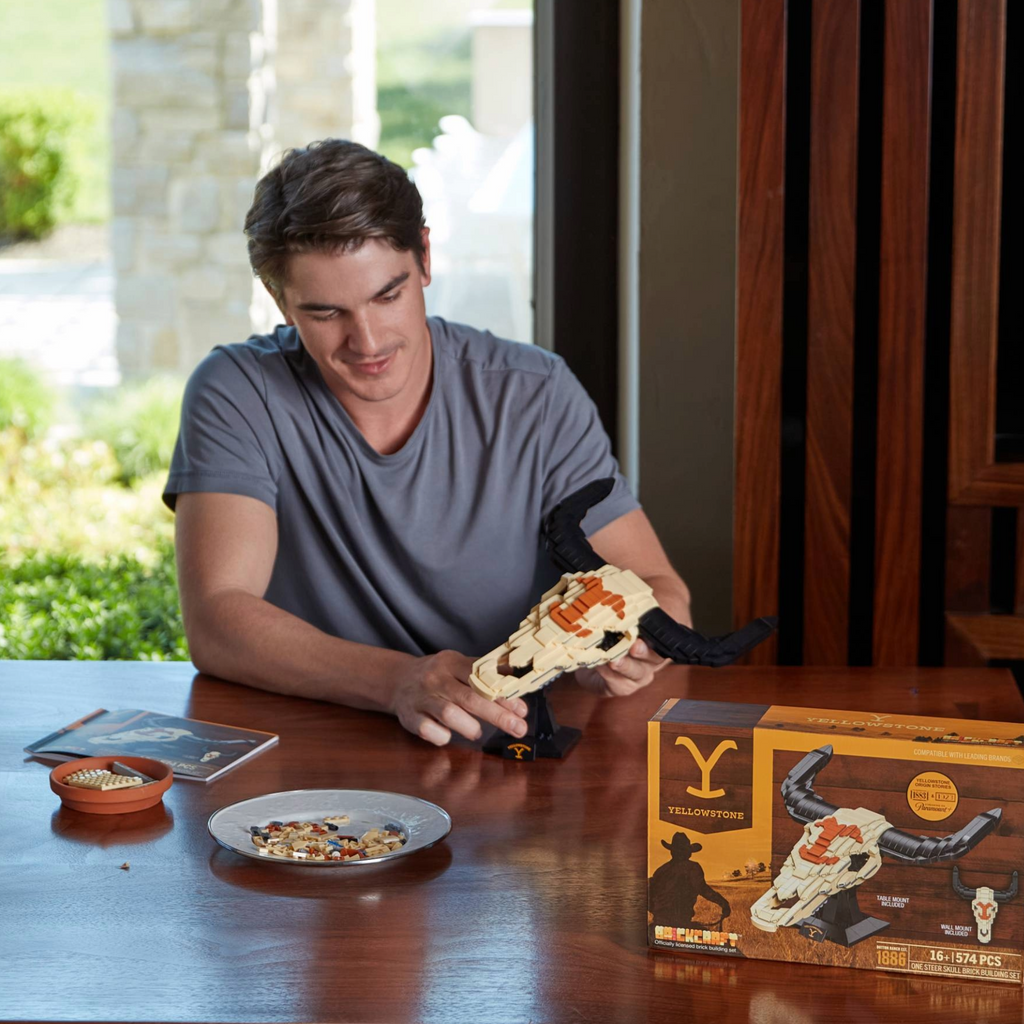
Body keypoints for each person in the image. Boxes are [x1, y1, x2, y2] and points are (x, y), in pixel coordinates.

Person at [163, 139, 692, 747]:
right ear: (279, 301)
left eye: (388, 295)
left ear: (425, 259)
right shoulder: (236, 391)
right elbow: (217, 621)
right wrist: (398, 680)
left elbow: (658, 583)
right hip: (321, 745)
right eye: (325, 312)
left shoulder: (535, 393)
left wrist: (635, 643)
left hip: (520, 746)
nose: (367, 341)